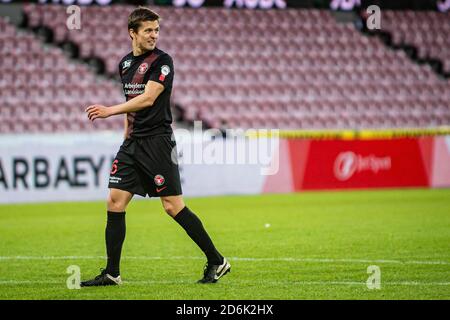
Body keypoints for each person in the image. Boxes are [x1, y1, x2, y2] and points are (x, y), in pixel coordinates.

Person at [80, 7, 230, 286]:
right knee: (114, 201)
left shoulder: (163, 61)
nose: (153, 35)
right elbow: (131, 107)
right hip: (133, 143)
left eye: (156, 30)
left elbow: (148, 99)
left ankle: (217, 260)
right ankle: (112, 273)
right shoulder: (125, 64)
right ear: (132, 33)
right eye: (148, 30)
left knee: (173, 206)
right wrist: (125, 136)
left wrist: (108, 110)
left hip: (158, 142)